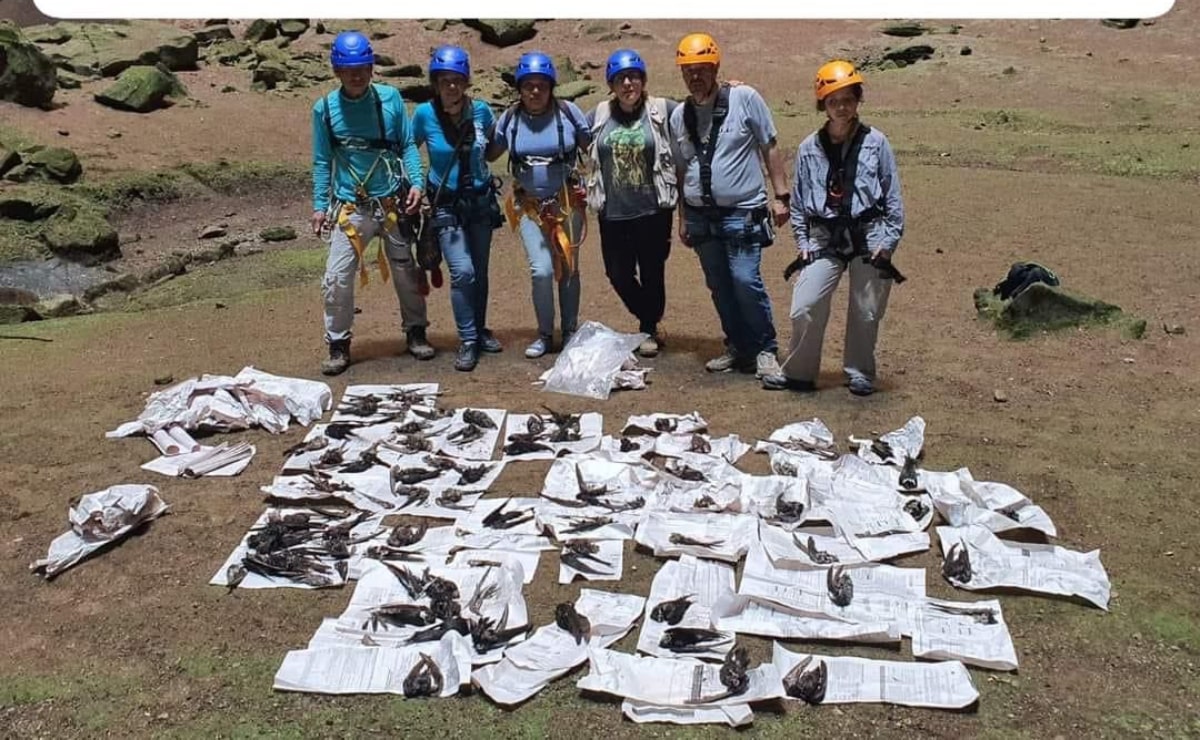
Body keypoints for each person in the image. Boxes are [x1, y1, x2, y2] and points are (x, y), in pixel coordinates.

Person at [761, 60, 905, 396]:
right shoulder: (809, 148)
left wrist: (888, 241)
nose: (841, 107)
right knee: (805, 304)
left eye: (848, 99)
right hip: (823, 237)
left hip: (870, 235)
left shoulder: (876, 143)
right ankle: (798, 372)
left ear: (858, 100)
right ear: (822, 104)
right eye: (833, 101)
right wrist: (803, 243)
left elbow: (893, 196)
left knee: (866, 311)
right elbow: (799, 202)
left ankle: (859, 372)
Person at [310, 31, 434, 376]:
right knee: (336, 276)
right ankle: (338, 343)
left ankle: (416, 330)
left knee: (406, 270)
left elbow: (406, 145)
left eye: (363, 68)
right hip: (351, 208)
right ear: (337, 71)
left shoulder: (390, 99)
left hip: (391, 202)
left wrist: (416, 183)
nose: (357, 76)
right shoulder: (324, 110)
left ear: (371, 68)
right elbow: (322, 160)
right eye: (349, 70)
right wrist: (319, 206)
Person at [670, 32, 790, 380]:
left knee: (744, 280)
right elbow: (681, 169)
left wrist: (781, 196)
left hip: (743, 212)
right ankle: (738, 347)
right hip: (700, 216)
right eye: (688, 70)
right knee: (719, 285)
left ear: (716, 67)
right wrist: (682, 218)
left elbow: (769, 145)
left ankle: (765, 349)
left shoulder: (744, 98)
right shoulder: (679, 116)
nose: (695, 75)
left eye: (702, 68)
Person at [490, 51, 592, 359]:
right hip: (530, 207)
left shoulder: (568, 114)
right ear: (519, 88)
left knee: (569, 267)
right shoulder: (510, 119)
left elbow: (594, 146)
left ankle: (570, 330)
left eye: (542, 85)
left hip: (566, 203)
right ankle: (545, 334)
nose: (535, 91)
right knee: (542, 270)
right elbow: (490, 153)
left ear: (551, 87)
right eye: (528, 85)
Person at [412, 45, 505, 372]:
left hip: (480, 201)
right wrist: (413, 183)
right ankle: (467, 339)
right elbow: (408, 149)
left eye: (457, 80)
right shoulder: (424, 115)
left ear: (466, 82)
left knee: (479, 272)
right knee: (463, 271)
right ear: (435, 83)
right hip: (446, 205)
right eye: (445, 81)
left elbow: (491, 151)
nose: (451, 86)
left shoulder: (482, 112)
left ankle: (479, 329)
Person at [584, 49, 678, 358]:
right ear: (611, 84)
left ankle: (648, 326)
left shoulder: (662, 109)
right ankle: (649, 313)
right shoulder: (598, 115)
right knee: (617, 273)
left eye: (634, 77)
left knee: (652, 270)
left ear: (643, 80)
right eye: (621, 78)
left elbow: (696, 111)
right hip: (613, 212)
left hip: (653, 210)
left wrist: (729, 90)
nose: (628, 83)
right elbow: (571, 132)